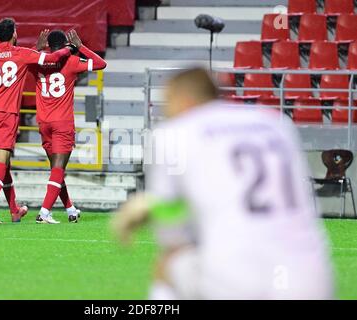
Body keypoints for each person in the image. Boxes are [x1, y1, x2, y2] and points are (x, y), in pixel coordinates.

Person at [112, 68, 334, 299]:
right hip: (310, 278)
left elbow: (172, 232)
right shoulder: (275, 123)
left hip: (238, 279)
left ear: (185, 102)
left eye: (167, 102)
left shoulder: (175, 133)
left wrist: (145, 211)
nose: (165, 111)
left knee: (169, 261)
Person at [0, 18, 77, 223]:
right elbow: (52, 58)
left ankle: (14, 210)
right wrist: (71, 48)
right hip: (7, 114)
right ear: (13, 33)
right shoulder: (21, 53)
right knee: (1, 162)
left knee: (4, 164)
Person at [30, 29, 107, 224]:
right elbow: (101, 64)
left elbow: (25, 61)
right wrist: (81, 47)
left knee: (57, 170)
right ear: (66, 45)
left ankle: (70, 209)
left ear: (49, 46)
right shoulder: (71, 62)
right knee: (58, 170)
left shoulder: (38, 62)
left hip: (44, 123)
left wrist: (37, 48)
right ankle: (44, 212)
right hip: (62, 124)